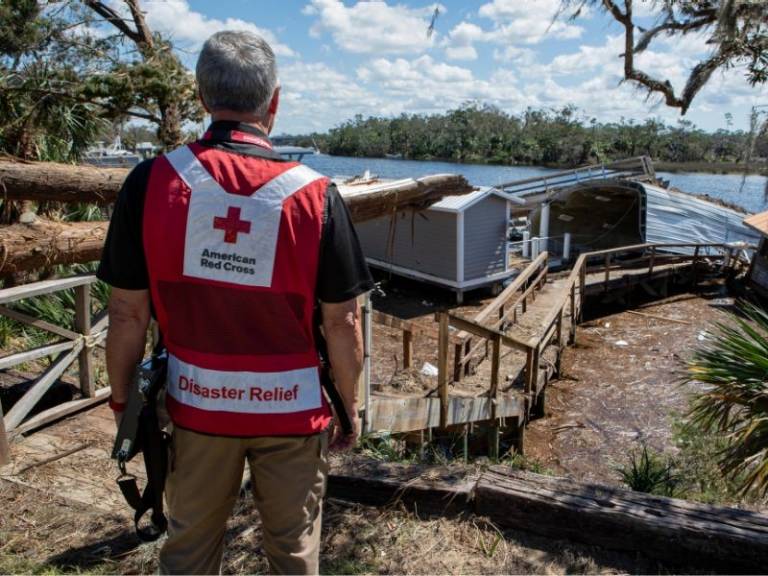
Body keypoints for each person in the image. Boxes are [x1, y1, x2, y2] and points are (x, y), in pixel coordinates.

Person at [97, 30, 373, 575]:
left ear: (202, 98)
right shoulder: (317, 196)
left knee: (189, 549)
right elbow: (343, 321)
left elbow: (128, 313)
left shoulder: (150, 182)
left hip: (197, 407)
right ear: (273, 102)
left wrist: (123, 401)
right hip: (293, 416)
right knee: (293, 555)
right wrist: (350, 406)